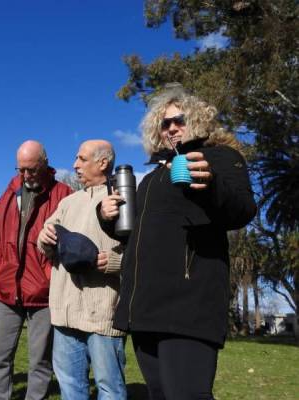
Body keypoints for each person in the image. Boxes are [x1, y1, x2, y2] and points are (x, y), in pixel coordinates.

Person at [99, 86, 257, 400]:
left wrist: (209, 185)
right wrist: (107, 215)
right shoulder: (153, 177)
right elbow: (134, 235)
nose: (172, 127)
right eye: (164, 123)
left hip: (188, 305)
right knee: (158, 395)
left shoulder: (220, 158)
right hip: (143, 307)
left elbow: (242, 210)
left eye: (179, 120)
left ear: (197, 120)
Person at [38, 140, 127, 400]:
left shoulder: (123, 198)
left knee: (110, 388)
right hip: (65, 312)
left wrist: (113, 261)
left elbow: (142, 252)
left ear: (103, 163)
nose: (75, 165)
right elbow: (45, 245)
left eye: (82, 159)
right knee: (70, 387)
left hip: (103, 311)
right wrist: (45, 237)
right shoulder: (67, 203)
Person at [0, 140, 72, 400]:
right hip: (6, 292)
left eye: (31, 170)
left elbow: (73, 240)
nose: (24, 175)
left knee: (40, 363)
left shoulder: (63, 194)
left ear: (45, 164)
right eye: (20, 169)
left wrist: (49, 275)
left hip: (44, 295)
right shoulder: (9, 194)